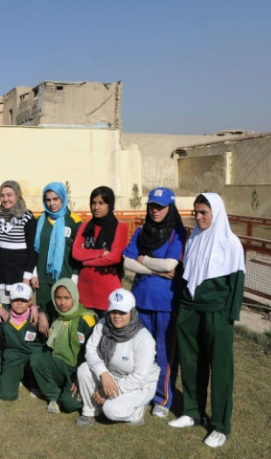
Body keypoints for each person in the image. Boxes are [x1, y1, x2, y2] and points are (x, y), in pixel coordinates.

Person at [169, 193, 245, 449]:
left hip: (217, 313)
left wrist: (229, 317)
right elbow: (187, 274)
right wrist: (182, 305)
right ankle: (192, 411)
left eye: (204, 212)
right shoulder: (194, 239)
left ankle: (221, 426)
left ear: (216, 212)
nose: (198, 217)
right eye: (196, 212)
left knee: (221, 369)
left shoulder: (231, 243)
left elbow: (236, 283)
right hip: (190, 309)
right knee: (191, 362)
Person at [123, 187, 186, 417]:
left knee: (164, 352)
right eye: (152, 206)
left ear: (170, 207)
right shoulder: (142, 231)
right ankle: (141, 392)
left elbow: (171, 265)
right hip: (141, 300)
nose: (155, 211)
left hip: (166, 303)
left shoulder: (176, 232)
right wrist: (155, 269)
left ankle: (163, 398)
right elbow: (127, 261)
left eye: (160, 206)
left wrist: (144, 260)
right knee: (140, 351)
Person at [76, 289, 160, 427]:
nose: (116, 316)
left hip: (138, 385)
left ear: (132, 312)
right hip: (110, 374)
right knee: (84, 369)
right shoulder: (103, 324)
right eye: (113, 311)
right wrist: (103, 373)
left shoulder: (143, 338)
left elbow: (140, 377)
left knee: (111, 409)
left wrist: (106, 392)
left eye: (122, 312)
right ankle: (90, 411)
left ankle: (137, 411)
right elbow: (90, 350)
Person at [30, 278, 96, 414]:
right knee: (36, 358)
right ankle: (53, 395)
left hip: (78, 369)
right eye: (58, 297)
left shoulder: (87, 319)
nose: (62, 302)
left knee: (69, 404)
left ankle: (72, 390)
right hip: (59, 363)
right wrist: (42, 315)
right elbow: (41, 307)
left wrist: (81, 378)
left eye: (67, 298)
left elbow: (94, 353)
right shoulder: (56, 312)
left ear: (75, 296)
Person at [71, 186, 127, 312]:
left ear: (110, 204)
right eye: (93, 203)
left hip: (108, 292)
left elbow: (114, 257)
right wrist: (101, 252)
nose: (96, 207)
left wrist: (85, 261)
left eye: (101, 203)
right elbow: (76, 253)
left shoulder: (120, 228)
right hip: (84, 291)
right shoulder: (85, 227)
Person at [32, 182, 82, 320]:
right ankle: (44, 342)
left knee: (63, 316)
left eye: (55, 199)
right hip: (43, 277)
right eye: (48, 200)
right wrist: (34, 273)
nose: (51, 203)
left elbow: (80, 252)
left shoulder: (74, 221)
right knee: (44, 316)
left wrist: (74, 277)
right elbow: (34, 249)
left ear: (63, 198)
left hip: (65, 277)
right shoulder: (40, 219)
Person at [0, 180, 38, 306]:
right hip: (2, 274)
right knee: (5, 311)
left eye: (9, 195)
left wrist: (27, 277)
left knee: (22, 312)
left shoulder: (27, 217)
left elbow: (33, 251)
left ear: (17, 195)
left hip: (21, 275)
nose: (5, 199)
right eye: (2, 195)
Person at [0, 282, 44, 401]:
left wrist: (39, 311)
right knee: (6, 394)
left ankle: (33, 380)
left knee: (36, 361)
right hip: (13, 358)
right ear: (10, 300)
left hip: (33, 357)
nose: (19, 303)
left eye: (23, 300)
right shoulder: (4, 313)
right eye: (15, 299)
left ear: (29, 301)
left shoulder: (37, 317)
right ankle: (19, 375)